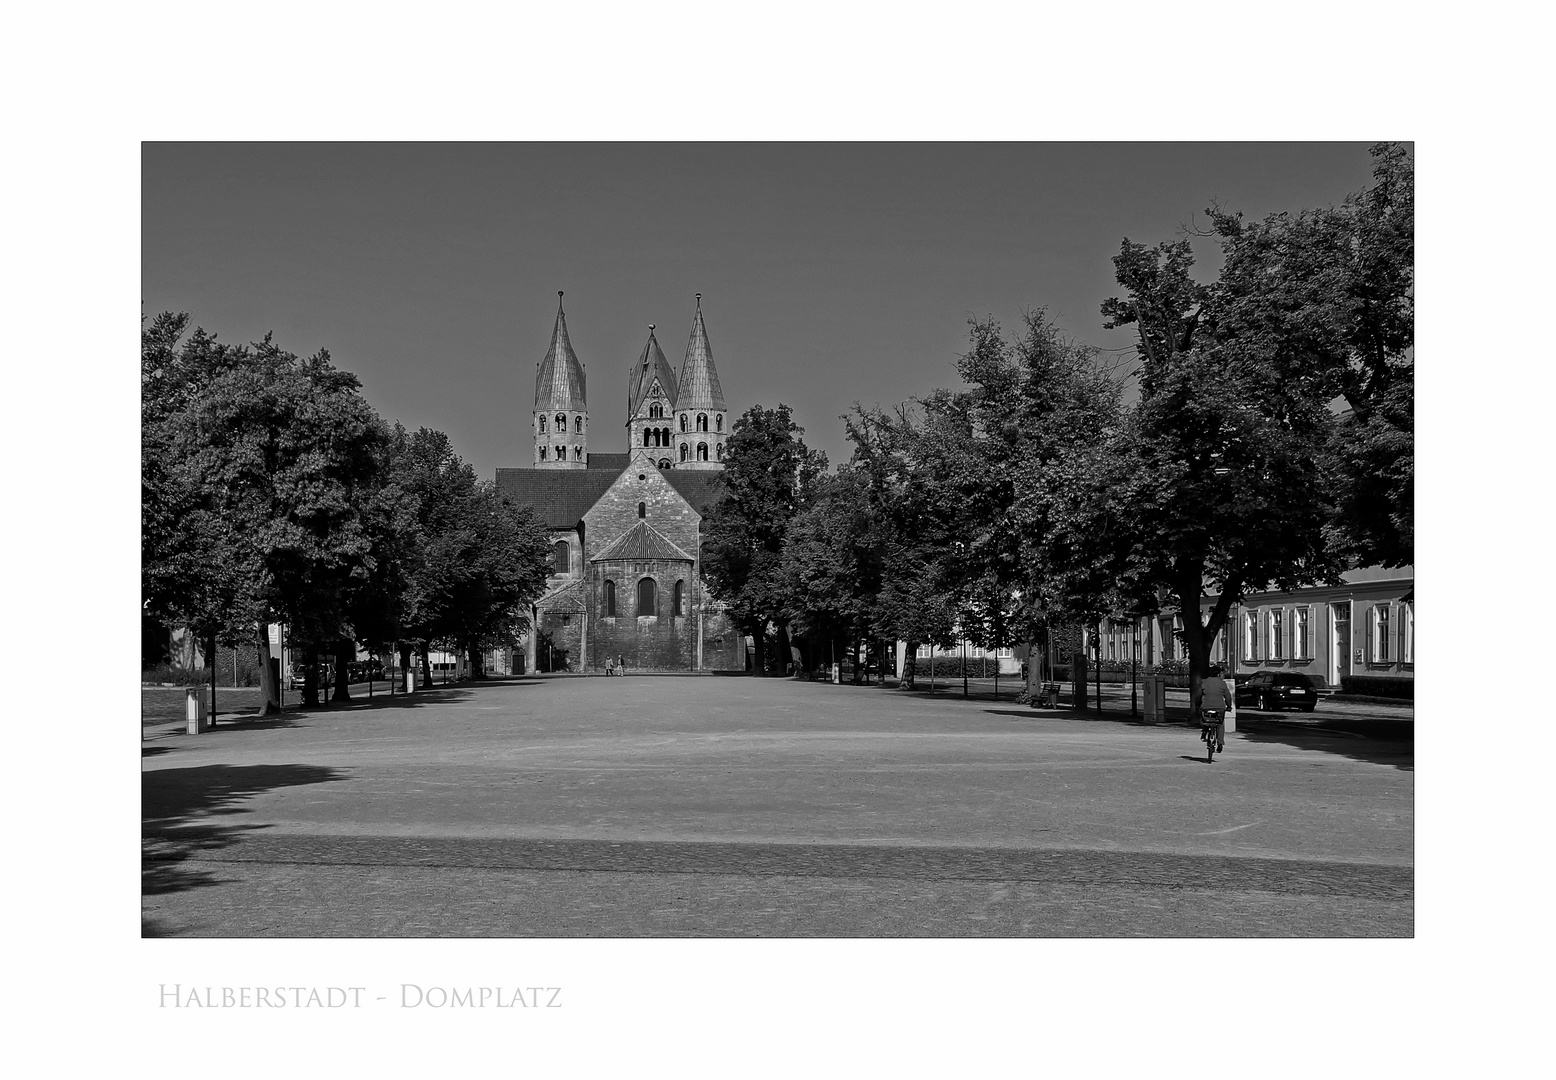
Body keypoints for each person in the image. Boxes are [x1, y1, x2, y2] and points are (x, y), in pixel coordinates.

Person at [1200, 664, 1234, 752]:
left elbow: (1198, 695)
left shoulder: (1204, 682)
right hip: (1220, 708)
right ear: (1218, 674)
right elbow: (1228, 696)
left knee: (1204, 719)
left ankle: (1204, 732)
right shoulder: (1222, 683)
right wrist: (1229, 706)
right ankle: (1220, 742)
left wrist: (1198, 704)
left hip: (1206, 707)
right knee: (1220, 724)